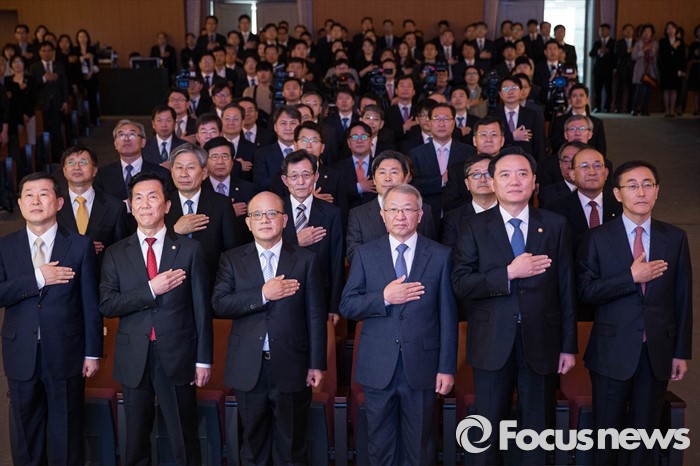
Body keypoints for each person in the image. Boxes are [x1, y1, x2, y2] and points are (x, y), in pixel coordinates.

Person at [451, 147, 577, 465]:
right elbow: (461, 283)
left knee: (536, 431)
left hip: (543, 342)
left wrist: (568, 345)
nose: (515, 181)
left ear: (534, 181)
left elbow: (566, 288)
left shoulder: (555, 224)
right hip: (491, 342)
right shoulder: (473, 226)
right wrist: (507, 273)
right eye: (505, 174)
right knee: (487, 431)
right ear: (493, 182)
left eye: (522, 174)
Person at [577, 160, 692, 465]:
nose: (641, 192)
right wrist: (630, 278)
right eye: (632, 186)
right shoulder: (598, 237)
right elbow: (585, 291)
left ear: (657, 191)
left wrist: (680, 352)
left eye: (647, 185)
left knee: (645, 436)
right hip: (610, 352)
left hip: (656, 352)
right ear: (617, 193)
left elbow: (682, 298)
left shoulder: (674, 238)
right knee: (607, 436)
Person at [100, 172, 213, 465]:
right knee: (135, 440)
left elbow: (201, 308)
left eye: (152, 197)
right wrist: (151, 289)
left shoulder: (190, 250)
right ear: (130, 205)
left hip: (178, 355)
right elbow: (108, 304)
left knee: (184, 438)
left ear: (166, 205)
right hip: (134, 357)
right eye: (138, 198)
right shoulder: (115, 253)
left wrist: (203, 359)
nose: (145, 204)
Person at [341, 183, 457, 465]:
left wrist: (446, 367)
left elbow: (448, 316)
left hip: (423, 365)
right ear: (382, 215)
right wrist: (383, 297)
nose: (400, 216)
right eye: (393, 209)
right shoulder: (366, 254)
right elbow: (347, 306)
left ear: (420, 214)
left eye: (407, 209)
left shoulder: (440, 255)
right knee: (380, 446)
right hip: (378, 365)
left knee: (420, 446)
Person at [211, 191, 327, 465]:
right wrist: (263, 294)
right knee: (253, 447)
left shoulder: (305, 259)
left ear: (284, 220)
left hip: (292, 364)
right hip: (248, 367)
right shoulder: (231, 259)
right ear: (248, 222)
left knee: (292, 447)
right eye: (257, 215)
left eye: (272, 213)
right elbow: (219, 303)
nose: (264, 220)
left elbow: (315, 315)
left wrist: (316, 363)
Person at [1, 173, 102, 465]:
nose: (36, 201)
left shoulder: (79, 245)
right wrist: (38, 278)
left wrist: (92, 352)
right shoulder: (5, 246)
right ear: (20, 204)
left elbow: (90, 303)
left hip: (67, 351)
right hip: (20, 352)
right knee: (25, 435)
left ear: (58, 203)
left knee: (67, 433)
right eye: (29, 195)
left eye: (43, 194)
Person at [280, 150, 343, 324]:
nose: (300, 182)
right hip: (282, 292)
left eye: (306, 175)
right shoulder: (274, 210)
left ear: (316, 177)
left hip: (319, 295)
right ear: (285, 180)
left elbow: (336, 262)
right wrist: (295, 241)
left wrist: (334, 306)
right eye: (294, 176)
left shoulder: (332, 213)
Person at [164, 143, 238, 283]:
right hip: (171, 281)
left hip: (212, 281)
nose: (184, 174)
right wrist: (175, 231)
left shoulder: (221, 204)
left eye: (191, 167)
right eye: (179, 167)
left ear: (204, 173)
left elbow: (231, 251)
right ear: (172, 171)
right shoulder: (162, 204)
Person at [57, 144, 128, 263]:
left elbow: (122, 248)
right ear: (64, 171)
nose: (77, 167)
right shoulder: (54, 206)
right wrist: (82, 248)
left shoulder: (115, 206)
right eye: (71, 162)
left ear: (95, 170)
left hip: (102, 272)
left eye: (83, 162)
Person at [409, 103, 475, 231]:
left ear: (453, 123)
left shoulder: (468, 152)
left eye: (446, 119)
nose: (441, 123)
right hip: (427, 217)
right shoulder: (416, 154)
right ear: (430, 122)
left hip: (461, 217)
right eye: (436, 119)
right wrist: (440, 181)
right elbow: (413, 184)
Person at [93, 120, 172, 204]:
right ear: (115, 144)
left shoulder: (161, 173)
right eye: (121, 135)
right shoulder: (102, 174)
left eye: (132, 135)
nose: (126, 139)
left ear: (143, 142)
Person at [442, 115, 505, 211]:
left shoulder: (512, 168)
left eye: (494, 135)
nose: (488, 140)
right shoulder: (457, 170)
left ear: (502, 141)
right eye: (483, 135)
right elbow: (450, 205)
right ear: (474, 140)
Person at [441, 155, 498, 249]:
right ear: (467, 184)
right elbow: (450, 254)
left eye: (488, 174)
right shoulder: (453, 219)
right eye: (476, 175)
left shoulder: (511, 212)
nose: (483, 179)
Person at [491, 75, 546, 163]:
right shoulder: (493, 117)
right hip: (501, 162)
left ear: (520, 92)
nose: (510, 92)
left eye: (514, 88)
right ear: (500, 94)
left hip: (527, 162)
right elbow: (492, 142)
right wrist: (512, 137)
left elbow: (540, 144)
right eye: (506, 89)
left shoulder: (532, 115)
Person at [29, 41, 68, 162]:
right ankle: (44, 157)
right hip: (41, 105)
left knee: (56, 130)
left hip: (56, 103)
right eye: (44, 50)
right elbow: (32, 85)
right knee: (42, 131)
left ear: (53, 52)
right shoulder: (34, 67)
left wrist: (65, 101)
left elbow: (64, 84)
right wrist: (44, 78)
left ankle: (57, 156)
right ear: (40, 52)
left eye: (49, 50)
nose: (47, 53)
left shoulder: (59, 66)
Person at [549, 85, 607, 155]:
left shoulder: (597, 123)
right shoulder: (559, 121)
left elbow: (601, 148)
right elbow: (555, 145)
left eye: (581, 95)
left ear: (587, 99)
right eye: (574, 96)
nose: (578, 99)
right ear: (569, 100)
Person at [254, 105, 301, 192]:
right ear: (275, 127)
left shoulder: (306, 152)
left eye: (293, 123)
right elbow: (260, 184)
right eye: (283, 123)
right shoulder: (262, 154)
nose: (288, 128)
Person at [334, 121, 377, 209]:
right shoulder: (337, 168)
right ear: (348, 143)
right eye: (355, 137)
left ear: (371, 141)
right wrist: (358, 187)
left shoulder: (379, 166)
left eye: (364, 136)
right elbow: (336, 195)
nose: (359, 141)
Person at [538, 140, 587, 208]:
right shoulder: (548, 194)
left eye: (575, 160)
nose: (570, 166)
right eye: (566, 161)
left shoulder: (596, 190)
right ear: (560, 164)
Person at [658, 21, 686, 117]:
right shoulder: (662, 41)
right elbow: (663, 55)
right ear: (666, 31)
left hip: (676, 69)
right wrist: (673, 47)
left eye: (672, 28)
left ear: (676, 29)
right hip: (665, 68)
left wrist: (682, 70)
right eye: (668, 28)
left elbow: (682, 57)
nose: (670, 30)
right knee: (666, 89)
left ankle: (672, 110)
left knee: (674, 89)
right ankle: (666, 110)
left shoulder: (680, 41)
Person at [631, 24, 658, 116]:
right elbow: (633, 56)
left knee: (648, 91)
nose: (646, 33)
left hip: (651, 70)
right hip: (640, 69)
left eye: (649, 32)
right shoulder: (638, 44)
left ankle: (644, 110)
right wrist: (643, 51)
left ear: (652, 34)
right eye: (645, 31)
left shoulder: (655, 44)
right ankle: (634, 109)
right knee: (639, 90)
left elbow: (656, 57)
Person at [588, 24, 615, 112]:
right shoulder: (597, 43)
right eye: (600, 30)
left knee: (608, 89)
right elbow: (591, 54)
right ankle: (597, 107)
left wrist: (608, 51)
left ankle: (607, 107)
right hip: (598, 70)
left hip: (608, 69)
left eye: (603, 30)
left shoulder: (613, 42)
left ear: (608, 31)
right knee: (597, 90)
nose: (601, 32)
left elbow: (616, 56)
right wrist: (598, 51)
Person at [614, 24, 637, 113]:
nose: (628, 32)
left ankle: (630, 108)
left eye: (630, 30)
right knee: (620, 89)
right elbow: (616, 54)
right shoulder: (619, 42)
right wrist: (627, 51)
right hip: (622, 68)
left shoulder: (636, 42)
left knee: (632, 89)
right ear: (623, 32)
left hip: (633, 69)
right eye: (626, 30)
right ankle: (618, 108)